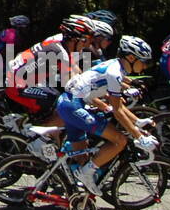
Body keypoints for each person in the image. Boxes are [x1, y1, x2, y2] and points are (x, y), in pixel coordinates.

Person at [56, 36, 158, 194]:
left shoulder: (116, 68)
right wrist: (139, 137)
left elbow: (119, 107)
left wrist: (138, 122)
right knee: (120, 141)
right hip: (74, 106)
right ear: (131, 57)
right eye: (143, 61)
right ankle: (85, 174)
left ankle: (77, 196)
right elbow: (117, 111)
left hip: (70, 103)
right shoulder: (114, 73)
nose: (144, 66)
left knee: (82, 157)